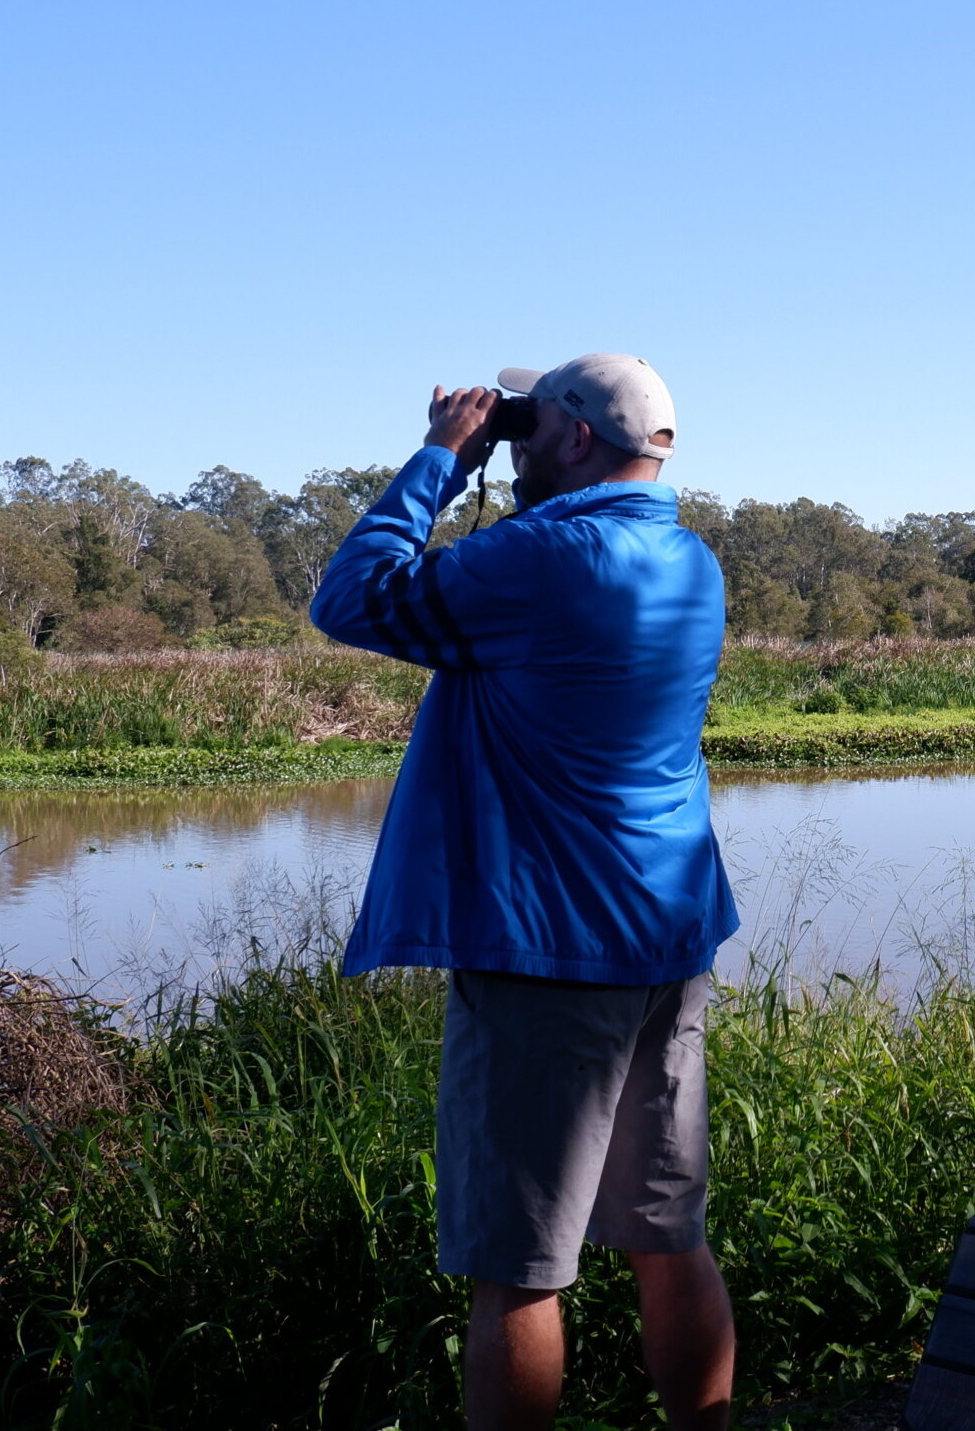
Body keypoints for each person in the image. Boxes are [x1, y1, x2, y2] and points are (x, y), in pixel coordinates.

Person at [308, 353, 739, 1431]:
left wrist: (444, 456)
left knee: (517, 1267)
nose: (518, 436)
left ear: (579, 439)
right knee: (664, 1237)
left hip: (549, 951)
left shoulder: (545, 557)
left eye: (532, 422)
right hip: (663, 936)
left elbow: (350, 599)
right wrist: (510, 440)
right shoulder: (690, 561)